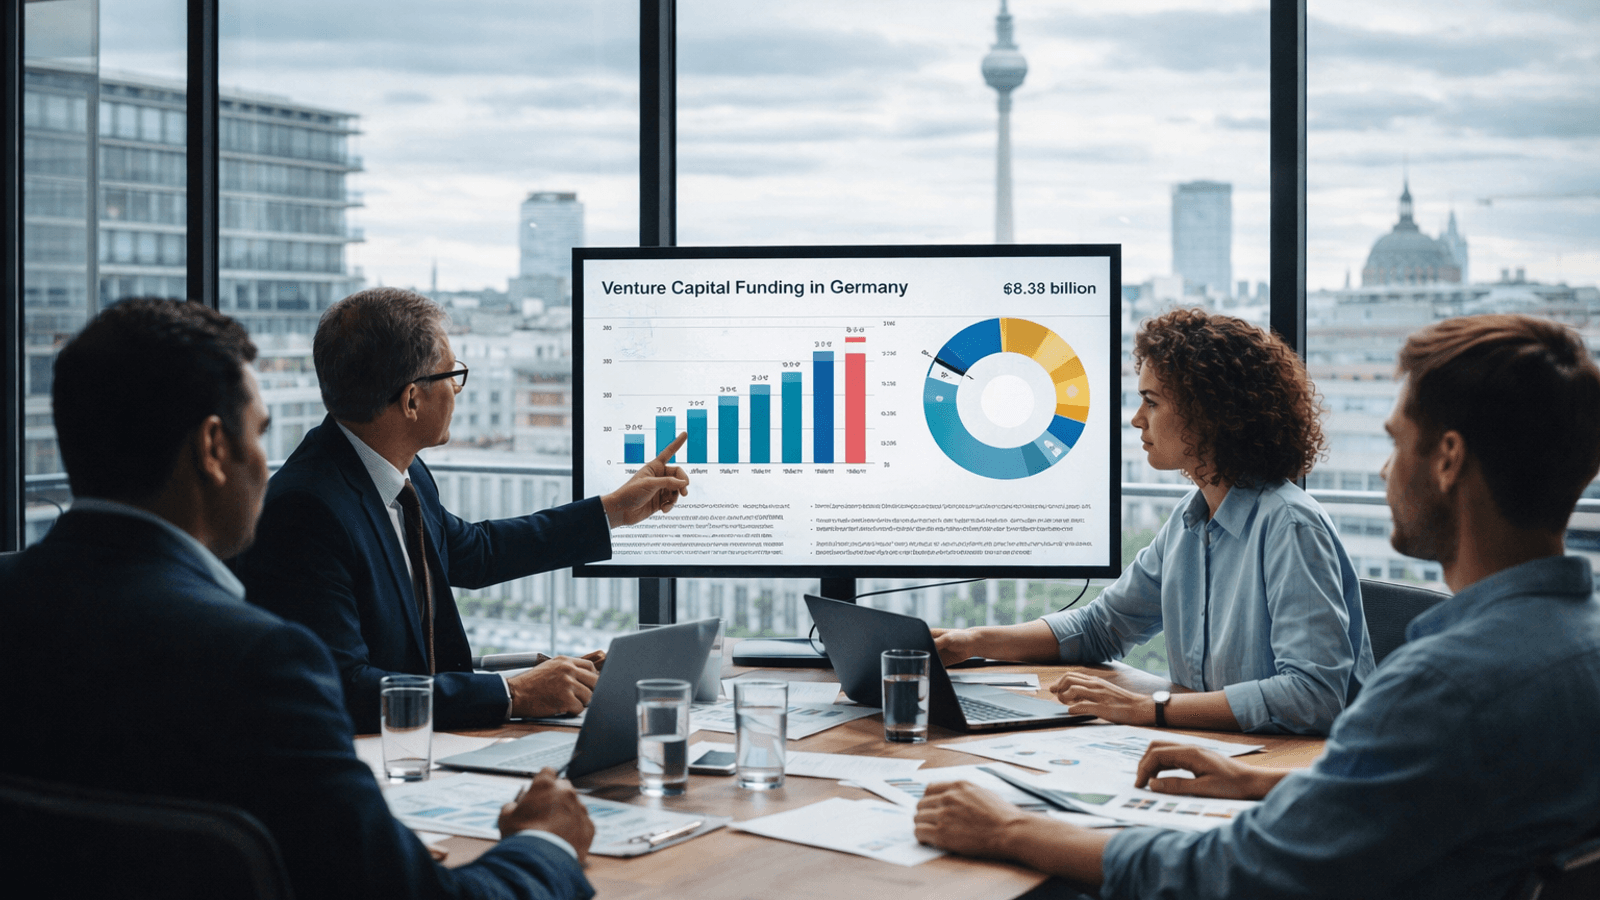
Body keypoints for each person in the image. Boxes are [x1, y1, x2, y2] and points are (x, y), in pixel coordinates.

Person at [914, 313, 1600, 899]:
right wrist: (1253, 783)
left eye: (1393, 442)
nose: (1386, 470)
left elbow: (1241, 872)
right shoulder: (1572, 647)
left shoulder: (1445, 685)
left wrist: (1011, 828)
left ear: (1447, 460)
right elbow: (1417, 800)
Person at [0, 298, 597, 900]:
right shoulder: (261, 664)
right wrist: (545, 844)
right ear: (213, 450)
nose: (268, 467)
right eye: (260, 433)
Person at [235, 287, 690, 732]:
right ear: (412, 399)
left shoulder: (402, 473)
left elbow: (476, 552)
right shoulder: (304, 510)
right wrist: (513, 693)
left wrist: (612, 511)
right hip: (381, 762)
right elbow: (345, 688)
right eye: (451, 375)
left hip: (433, 741)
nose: (457, 389)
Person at [934, 308, 1372, 735]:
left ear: (1211, 414)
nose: (1137, 418)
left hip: (1289, 772)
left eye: (1152, 402)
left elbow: (1312, 695)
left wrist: (1150, 708)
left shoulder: (1290, 525)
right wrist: (971, 641)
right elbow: (1098, 628)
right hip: (1214, 750)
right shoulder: (1190, 520)